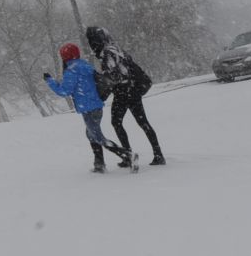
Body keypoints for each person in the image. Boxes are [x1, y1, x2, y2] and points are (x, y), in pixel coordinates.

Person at [44, 42, 138, 172]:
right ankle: (99, 164)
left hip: (87, 108)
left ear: (65, 56)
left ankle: (127, 155)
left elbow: (64, 91)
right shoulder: (85, 65)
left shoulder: (71, 71)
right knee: (91, 134)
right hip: (96, 106)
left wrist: (50, 81)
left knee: (97, 136)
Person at [86, 26, 165, 166]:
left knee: (116, 123)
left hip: (123, 92)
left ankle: (128, 155)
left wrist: (102, 83)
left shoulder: (107, 53)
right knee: (143, 123)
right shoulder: (116, 48)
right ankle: (158, 154)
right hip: (133, 89)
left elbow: (115, 76)